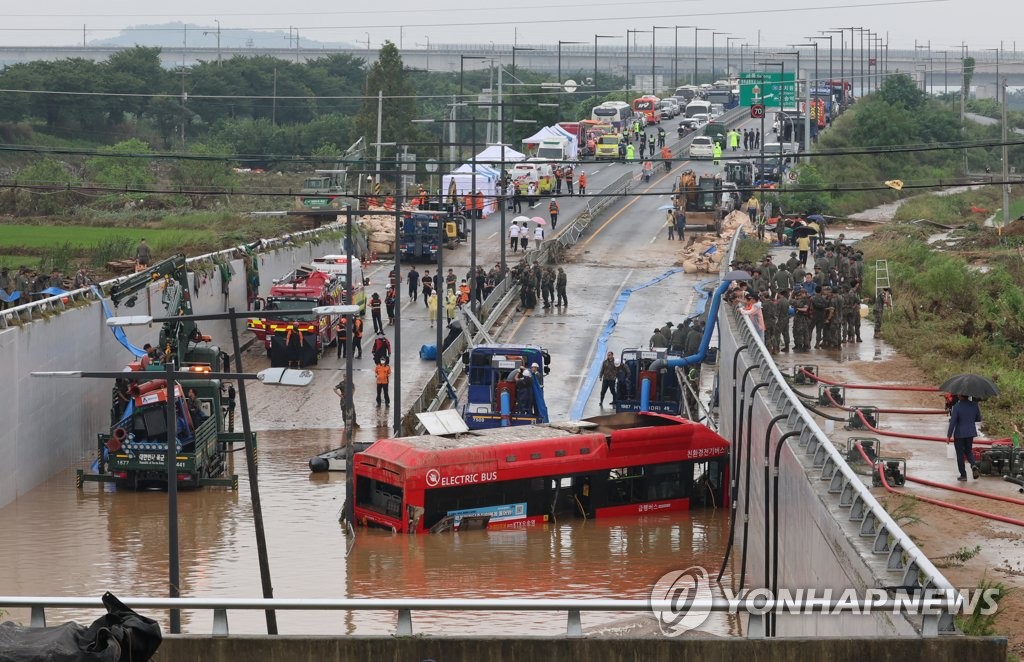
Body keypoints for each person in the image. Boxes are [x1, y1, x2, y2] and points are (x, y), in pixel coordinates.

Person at [947, 395, 982, 481]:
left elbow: (953, 422)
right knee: (969, 451)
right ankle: (973, 465)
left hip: (959, 434)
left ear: (960, 396)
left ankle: (963, 475)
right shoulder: (974, 405)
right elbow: (978, 418)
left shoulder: (957, 406)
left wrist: (949, 435)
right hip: (970, 432)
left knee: (960, 454)